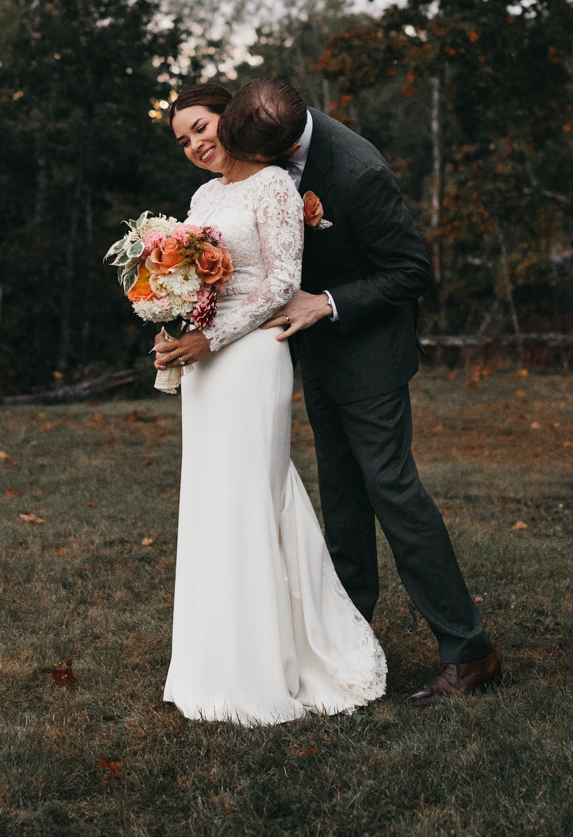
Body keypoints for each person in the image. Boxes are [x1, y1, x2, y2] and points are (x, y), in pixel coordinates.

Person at [163, 78, 499, 705]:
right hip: (305, 349)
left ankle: (468, 649)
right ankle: (348, 639)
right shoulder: (256, 133)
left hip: (367, 350)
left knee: (393, 492)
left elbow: (411, 270)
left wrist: (330, 302)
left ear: (287, 144)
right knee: (341, 499)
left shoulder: (357, 170)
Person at [149, 83, 386, 724]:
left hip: (253, 356)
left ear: (229, 118)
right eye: (183, 141)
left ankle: (273, 660)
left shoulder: (278, 186)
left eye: (200, 127)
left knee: (255, 495)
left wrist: (210, 337)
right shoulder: (203, 196)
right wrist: (176, 315)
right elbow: (201, 277)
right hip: (205, 364)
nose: (196, 145)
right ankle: (212, 660)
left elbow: (282, 284)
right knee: (211, 501)